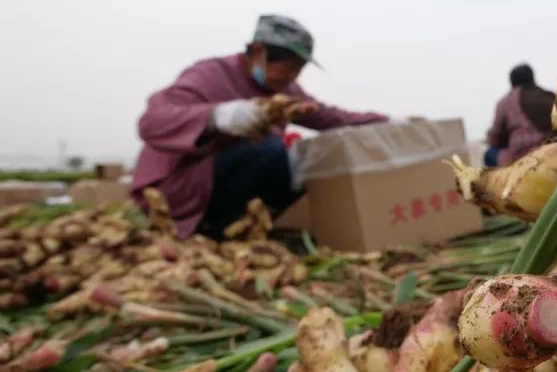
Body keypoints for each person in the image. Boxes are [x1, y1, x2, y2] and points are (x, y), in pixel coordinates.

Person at [131, 14, 390, 238]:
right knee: (268, 150)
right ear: (257, 52)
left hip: (231, 180)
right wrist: (217, 117)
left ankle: (243, 226)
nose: (291, 77)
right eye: (287, 68)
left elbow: (330, 118)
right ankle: (212, 227)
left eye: (298, 70)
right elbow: (152, 122)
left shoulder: (284, 90)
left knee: (309, 160)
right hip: (179, 188)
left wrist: (386, 123)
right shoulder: (209, 74)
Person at [485, 63, 555, 167]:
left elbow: (496, 137)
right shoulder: (550, 96)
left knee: (489, 154)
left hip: (519, 158)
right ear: (532, 78)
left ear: (512, 82)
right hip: (555, 152)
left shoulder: (505, 102)